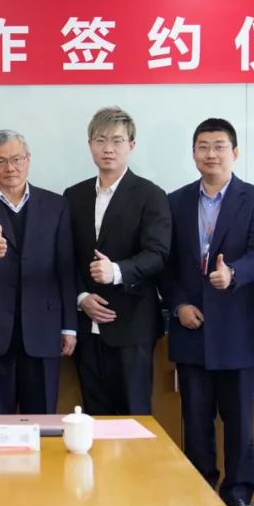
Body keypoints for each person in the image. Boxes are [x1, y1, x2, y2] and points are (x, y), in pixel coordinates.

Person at [161, 118, 254, 506]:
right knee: (196, 421)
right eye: (203, 146)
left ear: (235, 152)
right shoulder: (174, 202)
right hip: (191, 327)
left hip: (238, 330)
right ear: (194, 153)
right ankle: (200, 491)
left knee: (240, 422)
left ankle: (238, 495)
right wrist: (178, 304)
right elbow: (165, 264)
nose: (211, 154)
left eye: (219, 146)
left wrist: (235, 273)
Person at [0, 129, 77, 414]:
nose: (10, 168)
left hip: (44, 329)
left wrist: (69, 326)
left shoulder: (56, 205)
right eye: (0, 161)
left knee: (42, 420)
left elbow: (65, 268)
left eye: (17, 159)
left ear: (28, 159)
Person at [63, 106, 170, 415]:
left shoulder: (151, 195)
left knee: (134, 417)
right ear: (90, 145)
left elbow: (158, 254)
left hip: (132, 325)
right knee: (94, 419)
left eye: (117, 140)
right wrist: (80, 297)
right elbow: (65, 257)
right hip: (86, 326)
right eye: (100, 140)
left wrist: (117, 271)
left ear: (131, 146)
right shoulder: (73, 196)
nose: (108, 148)